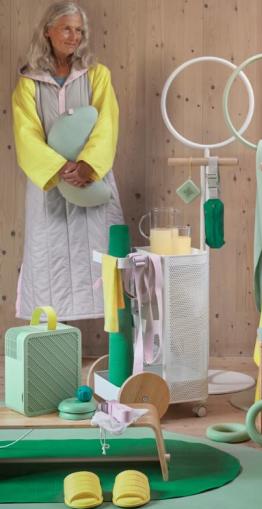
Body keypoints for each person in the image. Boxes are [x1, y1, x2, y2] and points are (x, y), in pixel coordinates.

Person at [12, 1, 122, 321]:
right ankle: (51, 340)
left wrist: (88, 165)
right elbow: (26, 134)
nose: (74, 36)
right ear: (48, 31)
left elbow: (107, 123)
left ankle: (114, 338)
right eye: (66, 29)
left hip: (91, 179)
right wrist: (58, 168)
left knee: (99, 256)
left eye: (79, 30)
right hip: (49, 183)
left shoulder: (97, 76)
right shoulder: (29, 83)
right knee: (49, 259)